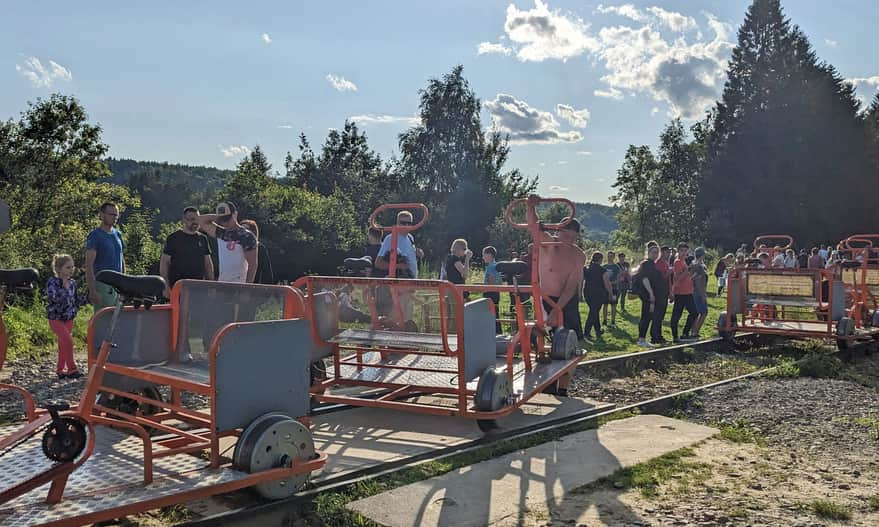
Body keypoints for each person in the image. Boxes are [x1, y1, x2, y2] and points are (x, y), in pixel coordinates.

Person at [194, 202, 258, 283]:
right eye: (223, 220)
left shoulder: (247, 236)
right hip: (223, 282)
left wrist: (247, 286)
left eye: (228, 219)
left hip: (239, 283)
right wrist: (218, 216)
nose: (225, 223)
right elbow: (200, 220)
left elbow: (253, 265)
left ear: (235, 214)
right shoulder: (221, 233)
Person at [46, 254, 87, 379]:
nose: (71, 270)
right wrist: (64, 288)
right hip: (55, 318)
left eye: (72, 267)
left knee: (63, 344)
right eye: (68, 267)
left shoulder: (73, 283)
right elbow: (52, 297)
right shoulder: (53, 282)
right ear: (59, 269)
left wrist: (88, 298)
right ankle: (72, 369)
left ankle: (60, 369)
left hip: (69, 317)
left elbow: (76, 300)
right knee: (68, 341)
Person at [160, 207, 214, 297]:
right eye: (192, 219)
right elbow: (164, 263)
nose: (195, 222)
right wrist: (165, 286)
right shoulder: (173, 238)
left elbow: (208, 263)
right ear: (184, 219)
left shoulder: (203, 238)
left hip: (199, 288)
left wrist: (211, 285)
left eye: (197, 219)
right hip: (178, 288)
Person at [85, 202, 125, 310]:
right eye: (111, 214)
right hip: (102, 284)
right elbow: (89, 264)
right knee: (103, 320)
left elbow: (121, 258)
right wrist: (92, 290)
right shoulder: (95, 235)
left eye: (116, 215)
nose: (115, 218)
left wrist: (125, 283)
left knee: (117, 320)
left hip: (118, 285)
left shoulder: (118, 234)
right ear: (102, 215)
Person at [635, 244, 663, 347]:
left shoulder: (652, 264)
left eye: (657, 252)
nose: (655, 254)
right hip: (647, 294)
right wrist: (651, 293)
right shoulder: (647, 264)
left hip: (652, 293)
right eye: (653, 252)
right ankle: (641, 339)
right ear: (648, 253)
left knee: (648, 316)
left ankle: (642, 338)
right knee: (646, 316)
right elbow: (645, 279)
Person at [669, 243, 697, 343]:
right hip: (680, 292)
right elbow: (678, 278)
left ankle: (685, 334)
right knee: (677, 315)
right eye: (682, 250)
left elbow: (686, 275)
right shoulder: (677, 262)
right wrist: (688, 269)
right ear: (678, 251)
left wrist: (692, 273)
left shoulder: (684, 261)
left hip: (688, 291)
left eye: (686, 251)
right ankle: (675, 336)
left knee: (694, 313)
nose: (684, 253)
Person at [583, 252, 614, 339]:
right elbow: (607, 283)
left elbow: (582, 280)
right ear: (600, 259)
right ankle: (586, 332)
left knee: (594, 311)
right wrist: (610, 293)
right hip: (598, 293)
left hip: (587, 292)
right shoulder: (602, 270)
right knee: (593, 312)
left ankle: (598, 330)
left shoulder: (586, 269)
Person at [241, 220, 275, 284]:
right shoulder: (235, 248)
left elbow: (266, 272)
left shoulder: (260, 248)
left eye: (245, 229)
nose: (242, 231)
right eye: (240, 228)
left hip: (254, 287)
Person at [652, 245, 672, 345]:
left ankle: (659, 336)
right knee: (657, 315)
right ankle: (655, 336)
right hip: (659, 292)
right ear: (663, 252)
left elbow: (668, 281)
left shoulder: (665, 263)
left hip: (664, 292)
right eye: (667, 252)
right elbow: (659, 279)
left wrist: (670, 292)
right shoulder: (659, 264)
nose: (669, 255)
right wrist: (668, 273)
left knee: (661, 315)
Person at [689, 247, 710, 339]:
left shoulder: (693, 264)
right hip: (698, 292)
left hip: (693, 291)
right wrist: (703, 294)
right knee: (704, 312)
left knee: (696, 312)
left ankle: (693, 330)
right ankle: (695, 331)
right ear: (702, 255)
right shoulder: (699, 266)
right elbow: (699, 281)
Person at [482, 246, 502, 333]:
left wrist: (485, 287)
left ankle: (490, 331)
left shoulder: (490, 267)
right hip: (496, 292)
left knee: (489, 313)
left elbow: (491, 280)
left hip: (490, 292)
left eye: (484, 255)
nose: (483, 257)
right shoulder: (497, 265)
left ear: (489, 255)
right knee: (495, 312)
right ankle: (498, 330)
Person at [601, 250, 620, 326]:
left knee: (613, 305)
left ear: (614, 257)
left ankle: (613, 320)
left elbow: (618, 279)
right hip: (604, 289)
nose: (609, 258)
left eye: (611, 256)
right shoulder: (603, 266)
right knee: (605, 304)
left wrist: (610, 283)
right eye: (608, 256)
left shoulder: (616, 267)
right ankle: (605, 320)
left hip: (614, 288)